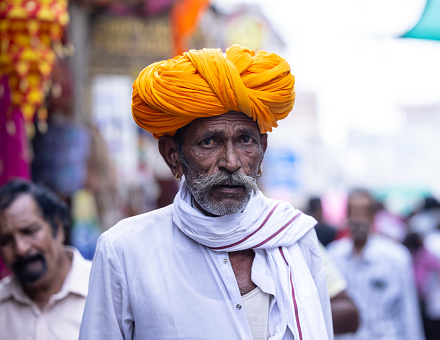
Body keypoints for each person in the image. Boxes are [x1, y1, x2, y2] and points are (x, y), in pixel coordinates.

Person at [79, 45, 333, 340]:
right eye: (209, 142)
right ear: (172, 154)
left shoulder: (295, 237)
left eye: (245, 140)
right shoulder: (125, 250)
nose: (231, 162)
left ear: (262, 149)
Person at [0, 179, 92, 339]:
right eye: (6, 240)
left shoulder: (103, 289)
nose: (21, 249)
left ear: (58, 226)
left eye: (29, 231)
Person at [328, 188, 424, 340]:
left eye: (363, 212)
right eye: (353, 212)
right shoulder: (333, 255)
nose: (358, 219)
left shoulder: (396, 257)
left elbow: (408, 311)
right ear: (346, 216)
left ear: (372, 216)